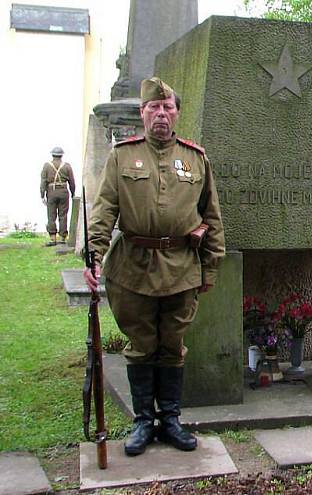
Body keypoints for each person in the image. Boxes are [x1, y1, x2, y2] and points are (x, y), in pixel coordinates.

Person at [84, 77, 225, 456]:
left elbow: (211, 216)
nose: (160, 114)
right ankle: (144, 421)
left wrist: (210, 266)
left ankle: (172, 421)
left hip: (181, 267)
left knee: (173, 345)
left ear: (176, 113)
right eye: (153, 108)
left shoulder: (195, 159)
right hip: (133, 269)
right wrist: (94, 256)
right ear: (143, 114)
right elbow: (103, 212)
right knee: (142, 344)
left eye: (167, 108)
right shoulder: (121, 156)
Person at [40, 146, 76, 246]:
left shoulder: (47, 166)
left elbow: (43, 182)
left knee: (51, 215)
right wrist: (73, 193)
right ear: (61, 155)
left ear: (53, 155)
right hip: (64, 192)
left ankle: (52, 238)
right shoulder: (67, 166)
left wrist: (42, 195)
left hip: (51, 192)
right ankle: (62, 237)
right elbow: (72, 182)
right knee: (63, 215)